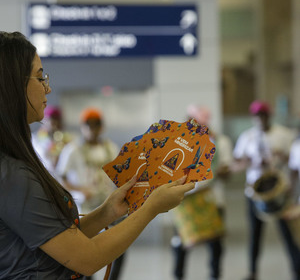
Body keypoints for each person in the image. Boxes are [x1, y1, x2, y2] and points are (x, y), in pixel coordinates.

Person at [0, 31, 195, 280]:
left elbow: (57, 237)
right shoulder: (12, 175)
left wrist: (108, 212)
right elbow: (86, 258)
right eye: (40, 78)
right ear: (13, 84)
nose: (48, 88)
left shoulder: (15, 164)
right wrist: (151, 207)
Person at [232, 100, 300, 280]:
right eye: (256, 116)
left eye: (263, 115)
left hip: (279, 189)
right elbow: (235, 163)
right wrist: (250, 162)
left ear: (269, 116)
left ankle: (297, 270)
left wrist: (281, 156)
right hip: (255, 191)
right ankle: (253, 271)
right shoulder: (247, 137)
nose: (260, 119)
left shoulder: (284, 134)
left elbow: (294, 161)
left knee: (288, 233)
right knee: (255, 234)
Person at [56, 107, 123, 280]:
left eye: (96, 125)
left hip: (108, 204)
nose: (93, 129)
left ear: (102, 127)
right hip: (84, 207)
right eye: (89, 125)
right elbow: (60, 178)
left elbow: (118, 174)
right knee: (86, 250)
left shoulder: (110, 147)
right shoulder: (73, 149)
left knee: (118, 246)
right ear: (82, 127)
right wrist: (79, 190)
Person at [171, 105, 233, 280]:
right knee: (180, 243)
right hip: (185, 200)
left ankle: (215, 276)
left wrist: (220, 172)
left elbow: (226, 172)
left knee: (215, 244)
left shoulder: (219, 142)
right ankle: (178, 276)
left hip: (213, 200)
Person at [32, 105, 73, 175]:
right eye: (51, 119)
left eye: (57, 120)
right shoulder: (36, 139)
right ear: (44, 121)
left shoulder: (66, 140)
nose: (54, 123)